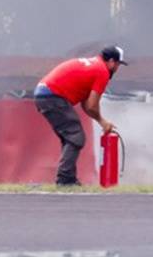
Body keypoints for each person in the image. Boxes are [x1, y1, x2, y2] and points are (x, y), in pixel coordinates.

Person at [34, 46, 127, 186]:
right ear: (112, 62)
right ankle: (65, 180)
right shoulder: (102, 71)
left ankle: (68, 178)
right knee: (76, 137)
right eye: (118, 64)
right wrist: (103, 121)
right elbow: (92, 105)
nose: (117, 68)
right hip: (53, 96)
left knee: (70, 138)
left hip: (44, 94)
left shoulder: (94, 65)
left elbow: (86, 105)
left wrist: (102, 122)